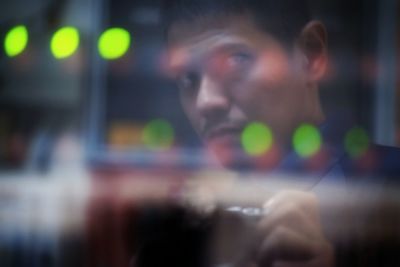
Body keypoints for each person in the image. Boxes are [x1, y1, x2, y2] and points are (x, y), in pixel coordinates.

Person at [159, 1, 400, 267]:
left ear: (310, 54)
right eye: (187, 78)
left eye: (236, 59)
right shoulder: (187, 217)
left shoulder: (390, 187)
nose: (206, 101)